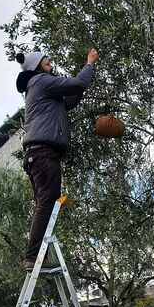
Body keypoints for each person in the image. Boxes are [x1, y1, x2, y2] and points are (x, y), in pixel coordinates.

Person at [14, 47, 99, 272]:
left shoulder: (41, 88)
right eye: (47, 62)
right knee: (46, 205)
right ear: (38, 66)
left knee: (45, 205)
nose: (51, 64)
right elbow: (78, 83)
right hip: (43, 153)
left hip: (36, 154)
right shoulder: (41, 81)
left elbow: (69, 100)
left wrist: (81, 84)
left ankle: (36, 258)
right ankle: (33, 259)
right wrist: (89, 64)